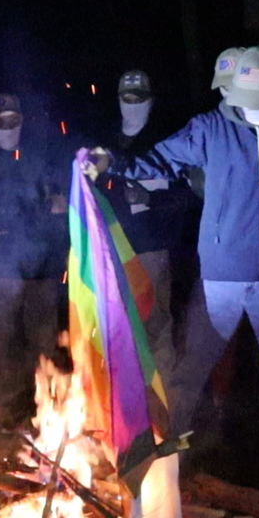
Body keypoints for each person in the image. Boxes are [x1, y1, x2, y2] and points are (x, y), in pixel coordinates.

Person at [86, 46, 259, 500]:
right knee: (187, 372)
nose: (237, 100)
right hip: (219, 279)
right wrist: (110, 162)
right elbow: (158, 160)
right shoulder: (212, 128)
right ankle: (162, 466)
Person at [0, 93, 79, 434]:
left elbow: (57, 204)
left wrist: (58, 202)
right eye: (2, 121)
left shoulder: (37, 160)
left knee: (41, 347)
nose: (9, 126)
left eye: (14, 120)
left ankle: (37, 415)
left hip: (41, 274)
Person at [91, 70, 200, 408]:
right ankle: (122, 410)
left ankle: (163, 408)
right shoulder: (106, 140)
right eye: (127, 96)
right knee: (114, 331)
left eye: (139, 97)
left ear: (150, 99)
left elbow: (188, 195)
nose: (133, 103)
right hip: (110, 252)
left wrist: (151, 200)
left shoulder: (164, 142)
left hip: (151, 252)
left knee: (155, 328)